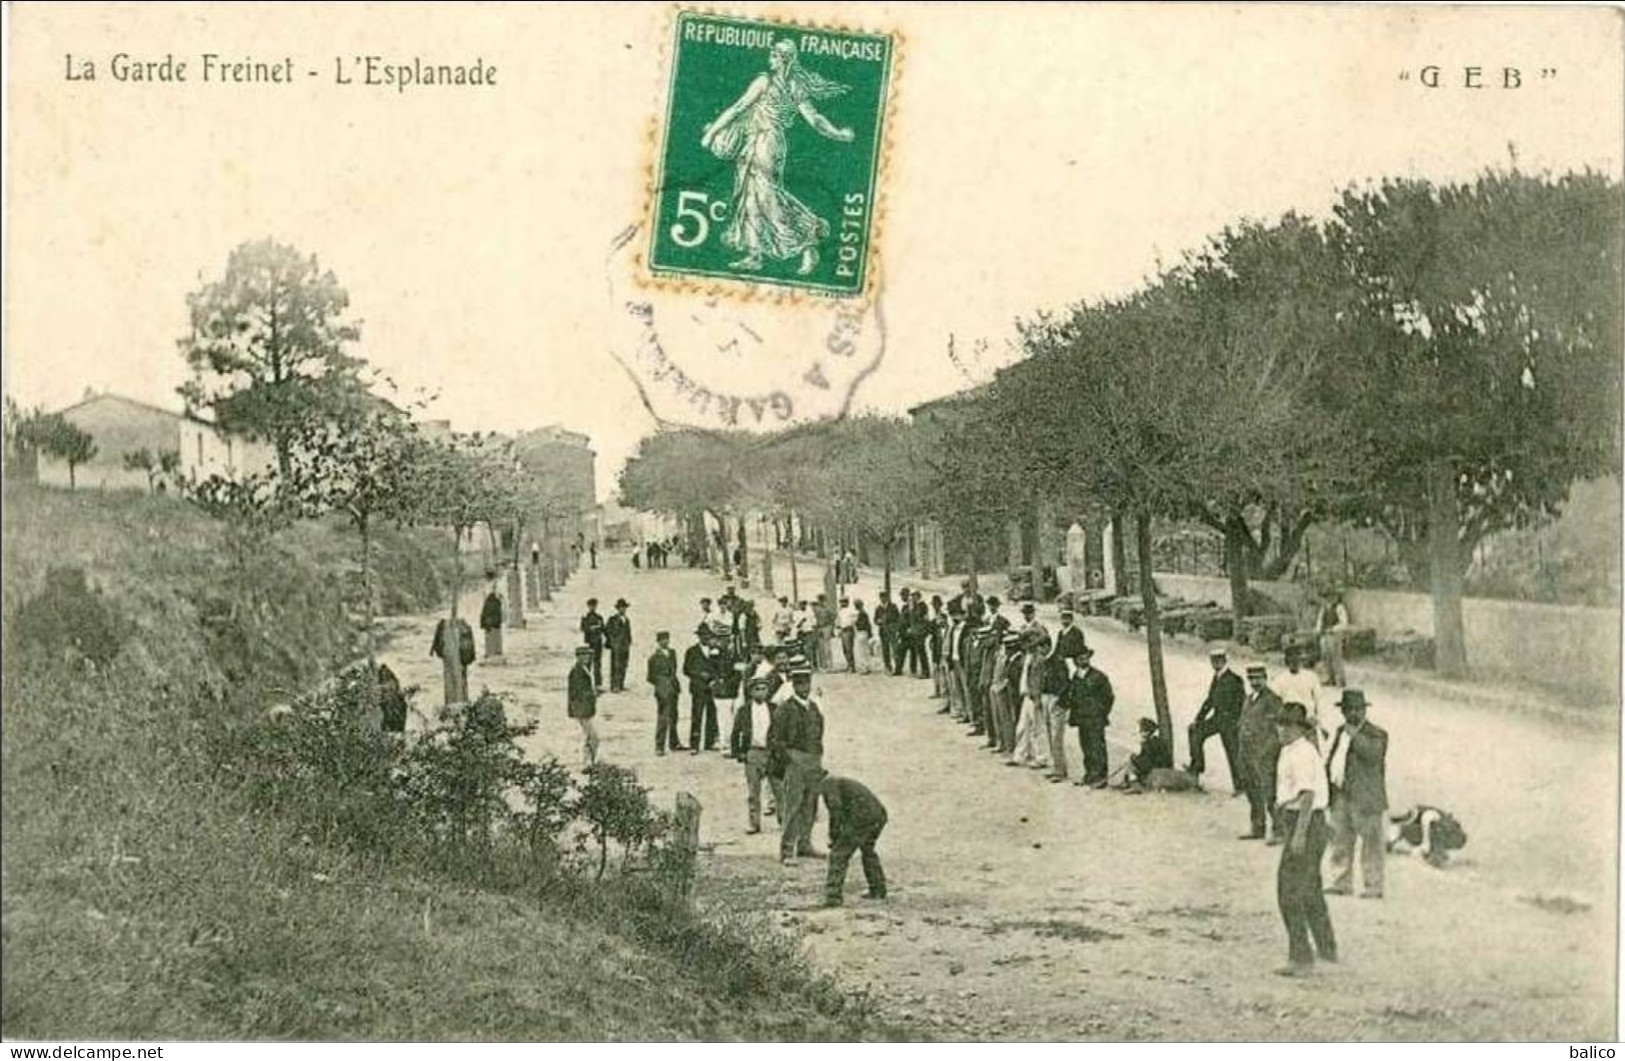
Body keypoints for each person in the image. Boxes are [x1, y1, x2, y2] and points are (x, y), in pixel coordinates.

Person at [699, 38, 855, 275]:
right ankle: (754, 254)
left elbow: (739, 107)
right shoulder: (795, 86)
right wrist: (839, 134)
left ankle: (808, 239)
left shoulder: (766, 82)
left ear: (783, 59)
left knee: (767, 197)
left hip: (765, 143)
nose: (769, 58)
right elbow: (816, 121)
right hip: (760, 142)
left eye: (773, 55)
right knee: (749, 196)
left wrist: (711, 133)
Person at [1272, 702, 1337, 975]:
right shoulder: (1293, 750)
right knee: (1310, 886)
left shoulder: (1301, 753)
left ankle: (1301, 957)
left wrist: (1299, 835)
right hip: (1306, 821)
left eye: (1287, 725)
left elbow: (1307, 795)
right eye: (1280, 723)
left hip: (1306, 822)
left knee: (1288, 890)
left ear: (1300, 728)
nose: (1281, 729)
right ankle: (1326, 947)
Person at [1324, 689, 1389, 899]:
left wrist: (1356, 737)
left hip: (1366, 797)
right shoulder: (1339, 731)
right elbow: (1332, 761)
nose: (1352, 714)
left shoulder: (1376, 733)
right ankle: (1341, 881)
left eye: (1357, 709)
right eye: (1348, 710)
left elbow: (1374, 755)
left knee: (1371, 842)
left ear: (1364, 711)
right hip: (1341, 793)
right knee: (1340, 839)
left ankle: (1373, 885)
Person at [767, 663, 826, 863]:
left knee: (811, 805)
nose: (803, 687)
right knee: (792, 807)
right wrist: (790, 760)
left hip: (813, 760)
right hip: (795, 760)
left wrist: (816, 758)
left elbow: (819, 733)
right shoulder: (785, 709)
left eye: (806, 683)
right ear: (793, 685)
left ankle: (805, 844)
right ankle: (786, 850)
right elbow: (775, 740)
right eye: (799, 683)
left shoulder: (814, 708)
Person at [819, 771, 889, 907]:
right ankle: (878, 889)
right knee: (868, 850)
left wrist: (834, 837)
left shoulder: (829, 784)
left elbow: (836, 811)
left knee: (838, 855)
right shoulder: (837, 781)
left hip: (862, 818)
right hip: (878, 815)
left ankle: (833, 897)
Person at [1237, 663, 1285, 842]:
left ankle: (1279, 830)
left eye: (1258, 678)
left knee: (1269, 791)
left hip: (1265, 753)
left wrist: (1268, 751)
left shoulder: (1273, 700)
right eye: (1251, 679)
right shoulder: (1249, 699)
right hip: (1247, 752)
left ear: (1265, 678)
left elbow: (1277, 730)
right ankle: (1258, 826)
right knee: (1252, 790)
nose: (1255, 682)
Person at [1185, 648, 1245, 791]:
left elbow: (1241, 703)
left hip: (1230, 721)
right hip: (1217, 718)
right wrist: (1198, 719)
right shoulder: (1216, 677)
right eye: (1213, 661)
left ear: (1224, 661)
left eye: (1219, 660)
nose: (1216, 663)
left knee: (1233, 752)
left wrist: (1238, 722)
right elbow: (1210, 700)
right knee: (1195, 731)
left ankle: (1240, 786)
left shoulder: (1235, 679)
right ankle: (1196, 768)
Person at [731, 674, 782, 834]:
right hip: (753, 752)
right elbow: (735, 733)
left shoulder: (774, 709)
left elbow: (781, 732)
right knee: (754, 792)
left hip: (771, 753)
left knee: (779, 789)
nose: (761, 692)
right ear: (751, 692)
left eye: (764, 689)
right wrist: (739, 752)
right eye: (757, 689)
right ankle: (754, 823)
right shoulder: (744, 710)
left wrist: (780, 752)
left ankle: (783, 820)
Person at [1067, 644, 1114, 787]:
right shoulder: (1076, 676)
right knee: (1086, 746)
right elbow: (1073, 696)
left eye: (1085, 657)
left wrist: (1100, 712)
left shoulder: (1099, 677)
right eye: (1079, 658)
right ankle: (1089, 774)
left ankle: (1100, 777)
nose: (1082, 660)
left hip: (1095, 718)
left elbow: (1108, 697)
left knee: (1097, 747)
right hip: (1082, 718)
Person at [1007, 627, 1050, 771]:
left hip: (1033, 696)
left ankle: (1041, 757)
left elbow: (1038, 681)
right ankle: (1020, 755)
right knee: (1023, 727)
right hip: (1027, 695)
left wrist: (1037, 698)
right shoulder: (1027, 657)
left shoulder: (1039, 659)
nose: (1025, 644)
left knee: (1037, 728)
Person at [1388, 805, 1467, 868]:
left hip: (1453, 835)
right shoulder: (1409, 828)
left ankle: (1438, 855)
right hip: (1446, 835)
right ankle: (1438, 855)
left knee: (1434, 829)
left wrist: (1425, 843)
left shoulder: (1420, 813)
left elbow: (1428, 817)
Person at [1272, 645, 1323, 741]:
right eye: (1291, 661)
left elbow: (1318, 700)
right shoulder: (1279, 679)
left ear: (1302, 661)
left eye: (1298, 660)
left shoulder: (1311, 677)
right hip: (1289, 722)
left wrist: (1318, 719)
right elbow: (1275, 702)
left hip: (1308, 721)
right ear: (1286, 661)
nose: (1295, 664)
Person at [683, 625, 719, 753]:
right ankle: (694, 744)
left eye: (707, 635)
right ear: (698, 637)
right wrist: (699, 674)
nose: (705, 637)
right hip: (698, 687)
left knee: (712, 714)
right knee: (697, 715)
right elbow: (686, 669)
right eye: (702, 635)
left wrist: (714, 678)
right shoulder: (691, 651)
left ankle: (709, 743)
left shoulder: (715, 651)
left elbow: (719, 668)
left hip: (711, 687)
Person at [647, 630, 684, 754]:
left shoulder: (672, 653)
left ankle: (674, 743)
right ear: (658, 642)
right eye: (663, 639)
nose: (666, 641)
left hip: (673, 688)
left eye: (667, 639)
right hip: (662, 690)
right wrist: (661, 685)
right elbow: (650, 677)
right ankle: (659, 746)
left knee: (674, 716)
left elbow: (674, 669)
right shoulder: (653, 658)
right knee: (663, 717)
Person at [567, 645, 600, 769]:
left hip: (584, 708)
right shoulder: (577, 672)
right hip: (582, 709)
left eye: (588, 655)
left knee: (589, 736)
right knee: (593, 737)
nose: (587, 658)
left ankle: (588, 762)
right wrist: (593, 694)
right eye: (584, 655)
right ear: (578, 657)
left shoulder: (583, 669)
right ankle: (588, 763)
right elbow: (576, 692)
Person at [429, 615, 476, 701]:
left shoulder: (452, 628)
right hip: (456, 659)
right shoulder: (460, 628)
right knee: (458, 682)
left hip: (455, 658)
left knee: (456, 682)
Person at [1123, 717, 1173, 788]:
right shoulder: (1155, 741)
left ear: (1147, 732)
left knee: (1131, 763)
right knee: (1132, 761)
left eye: (1142, 730)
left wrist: (1134, 759)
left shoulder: (1149, 743)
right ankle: (1131, 782)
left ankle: (1134, 784)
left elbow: (1148, 759)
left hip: (1155, 767)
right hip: (1158, 766)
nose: (1140, 732)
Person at [1316, 590, 1351, 688]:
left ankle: (1340, 680)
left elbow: (1344, 622)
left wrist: (1333, 629)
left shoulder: (1339, 607)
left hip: (1335, 635)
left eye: (1331, 596)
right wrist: (1319, 630)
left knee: (1336, 657)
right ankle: (1329, 678)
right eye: (1326, 597)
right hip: (1325, 634)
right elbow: (1320, 620)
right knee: (1326, 657)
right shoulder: (1324, 608)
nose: (1328, 599)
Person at [605, 598, 633, 693]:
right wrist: (613, 641)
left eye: (624, 608)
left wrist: (629, 642)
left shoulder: (627, 620)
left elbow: (628, 633)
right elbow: (607, 631)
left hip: (625, 646)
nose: (623, 609)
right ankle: (614, 686)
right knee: (615, 665)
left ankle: (621, 684)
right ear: (618, 609)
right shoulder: (613, 619)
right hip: (616, 646)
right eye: (621, 608)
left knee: (624, 665)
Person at [579, 598, 606, 691]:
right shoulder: (585, 617)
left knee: (598, 663)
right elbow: (583, 628)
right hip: (589, 643)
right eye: (591, 606)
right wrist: (592, 628)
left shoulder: (599, 617)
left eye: (594, 606)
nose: (593, 608)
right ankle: (586, 683)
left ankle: (598, 684)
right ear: (588, 606)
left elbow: (603, 629)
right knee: (588, 663)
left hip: (598, 643)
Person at [480, 586, 504, 659]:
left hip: (489, 625)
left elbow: (484, 614)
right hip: (496, 624)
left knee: (489, 640)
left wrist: (483, 624)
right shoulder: (497, 603)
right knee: (496, 638)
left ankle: (490, 652)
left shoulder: (488, 603)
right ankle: (496, 651)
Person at [836, 596, 859, 673]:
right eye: (841, 602)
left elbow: (856, 617)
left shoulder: (851, 610)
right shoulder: (840, 611)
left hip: (848, 630)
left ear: (847, 603)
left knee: (849, 649)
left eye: (844, 602)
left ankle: (852, 666)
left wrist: (851, 623)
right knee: (845, 649)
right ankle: (848, 664)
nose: (842, 603)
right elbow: (839, 621)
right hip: (843, 630)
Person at [853, 599, 874, 674]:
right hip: (864, 632)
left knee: (862, 651)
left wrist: (856, 623)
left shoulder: (861, 614)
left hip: (861, 632)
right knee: (865, 650)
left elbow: (863, 624)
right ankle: (867, 666)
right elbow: (869, 624)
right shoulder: (864, 613)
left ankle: (864, 668)